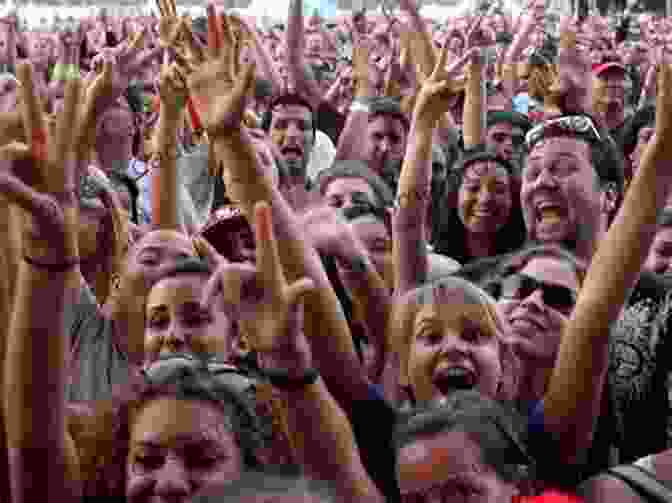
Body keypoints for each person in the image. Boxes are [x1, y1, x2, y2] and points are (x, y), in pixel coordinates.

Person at [431, 151, 526, 265]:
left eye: (499, 190)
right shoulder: (435, 263)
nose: (485, 199)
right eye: (473, 188)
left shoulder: (527, 261)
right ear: (455, 196)